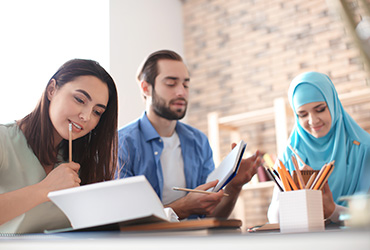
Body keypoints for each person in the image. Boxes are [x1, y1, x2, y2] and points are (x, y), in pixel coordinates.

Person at [116, 50, 261, 220]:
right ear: (146, 88)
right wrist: (184, 207)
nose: (181, 92)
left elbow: (211, 218)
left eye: (185, 85)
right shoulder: (122, 143)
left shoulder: (199, 141)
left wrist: (234, 187)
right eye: (171, 83)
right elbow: (125, 218)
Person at [0, 59, 118, 233]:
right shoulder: (4, 140)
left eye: (97, 112)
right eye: (80, 99)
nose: (86, 116)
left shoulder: (83, 157)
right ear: (51, 90)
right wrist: (44, 190)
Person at [267, 71, 370, 223]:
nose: (313, 120)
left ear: (333, 103)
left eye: (320, 109)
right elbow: (273, 218)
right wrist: (292, 196)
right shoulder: (290, 155)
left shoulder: (363, 149)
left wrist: (333, 211)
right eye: (302, 114)